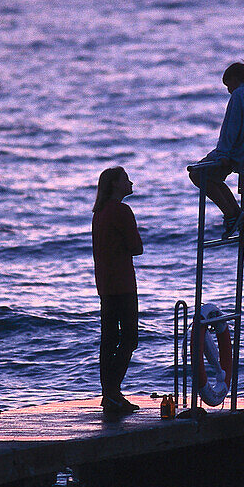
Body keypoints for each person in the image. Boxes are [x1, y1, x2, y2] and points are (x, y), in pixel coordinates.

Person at [187, 61, 244, 240]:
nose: (228, 90)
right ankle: (237, 215)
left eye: (228, 85)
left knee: (196, 174)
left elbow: (230, 127)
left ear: (234, 79)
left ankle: (233, 215)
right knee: (212, 178)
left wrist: (223, 154)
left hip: (235, 153)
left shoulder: (239, 94)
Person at [92, 166, 143, 416]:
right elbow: (136, 247)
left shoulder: (99, 212)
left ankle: (109, 395)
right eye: (125, 179)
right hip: (123, 284)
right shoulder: (122, 211)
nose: (130, 182)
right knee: (130, 338)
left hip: (105, 284)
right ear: (115, 184)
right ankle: (112, 392)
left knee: (109, 339)